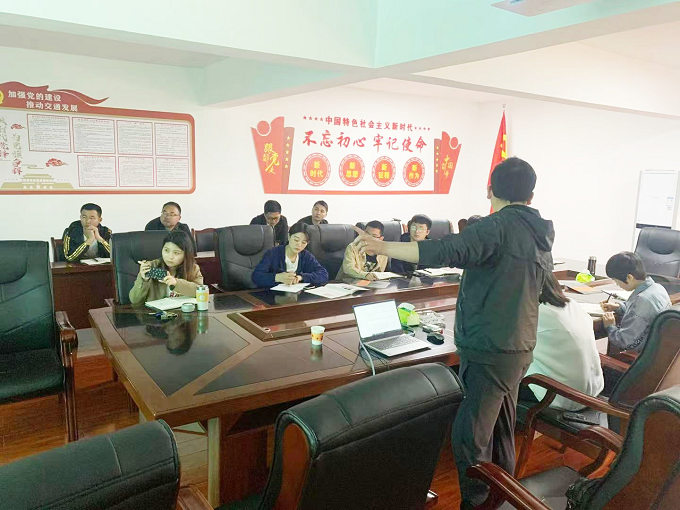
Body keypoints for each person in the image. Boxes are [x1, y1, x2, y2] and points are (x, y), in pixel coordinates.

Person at [352, 157, 554, 508]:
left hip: (490, 349)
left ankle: (479, 503)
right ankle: (502, 498)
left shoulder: (496, 227)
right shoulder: (538, 232)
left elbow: (444, 250)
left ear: (489, 190)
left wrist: (382, 247)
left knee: (469, 437)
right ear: (531, 196)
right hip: (519, 347)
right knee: (502, 429)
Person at [520, 272, 604, 410]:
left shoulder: (536, 315)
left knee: (494, 380)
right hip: (590, 391)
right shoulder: (572, 304)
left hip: (559, 394)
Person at [601, 251, 670, 352]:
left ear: (629, 278)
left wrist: (610, 326)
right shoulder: (657, 288)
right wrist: (618, 307)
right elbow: (640, 313)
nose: (617, 285)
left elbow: (623, 341)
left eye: (616, 281)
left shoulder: (642, 300)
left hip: (641, 355)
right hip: (660, 350)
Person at [129, 230, 203, 304]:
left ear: (185, 254)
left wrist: (176, 283)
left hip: (183, 310)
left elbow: (200, 292)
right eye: (166, 250)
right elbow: (134, 300)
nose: (170, 256)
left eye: (176, 253)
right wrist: (144, 280)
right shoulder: (151, 267)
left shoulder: (193, 269)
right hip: (156, 310)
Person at [251, 222, 328, 288]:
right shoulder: (273, 253)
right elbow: (256, 276)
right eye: (296, 240)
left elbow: (323, 275)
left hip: (297, 296)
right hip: (273, 296)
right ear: (289, 236)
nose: (299, 245)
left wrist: (301, 277)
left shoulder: (306, 256)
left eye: (304, 242)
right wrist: (277, 277)